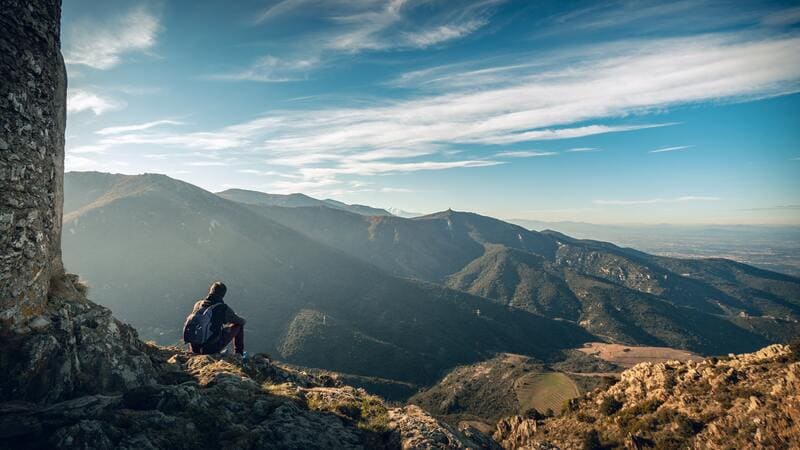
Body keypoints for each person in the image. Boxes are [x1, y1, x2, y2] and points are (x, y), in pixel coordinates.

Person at [188, 281, 246, 355]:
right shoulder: (222, 308)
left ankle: (195, 351)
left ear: (210, 291)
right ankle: (239, 354)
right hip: (211, 349)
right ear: (223, 294)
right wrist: (237, 318)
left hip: (194, 348)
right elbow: (241, 322)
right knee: (239, 326)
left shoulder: (198, 304)